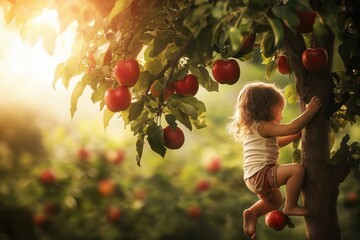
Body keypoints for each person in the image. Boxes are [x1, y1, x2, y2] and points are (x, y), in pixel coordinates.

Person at [227, 82, 322, 239]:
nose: (282, 115)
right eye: (280, 110)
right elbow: (292, 127)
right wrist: (310, 111)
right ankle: (290, 206)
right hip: (261, 173)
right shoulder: (264, 126)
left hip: (252, 177)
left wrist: (294, 136)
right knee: (296, 170)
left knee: (274, 201)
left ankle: (252, 213)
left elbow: (276, 143)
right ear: (266, 108)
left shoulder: (253, 128)